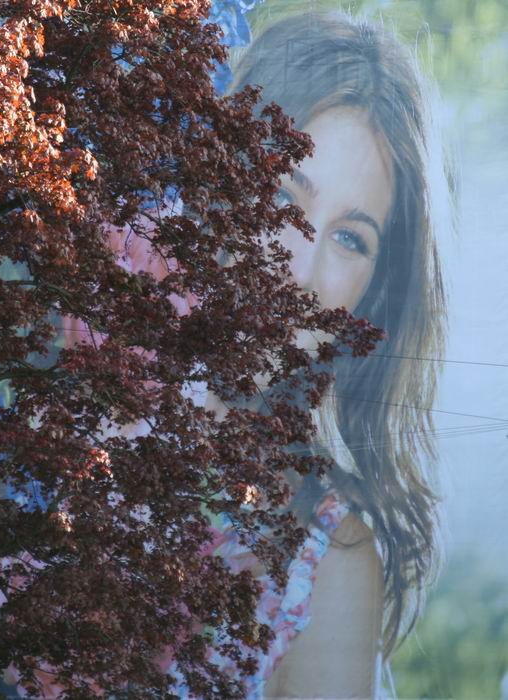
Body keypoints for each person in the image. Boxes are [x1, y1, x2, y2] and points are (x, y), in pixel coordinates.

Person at [199, 9, 450, 698]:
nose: (299, 271)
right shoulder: (29, 377)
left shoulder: (329, 565)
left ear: (370, 299)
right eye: (284, 193)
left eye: (348, 239)